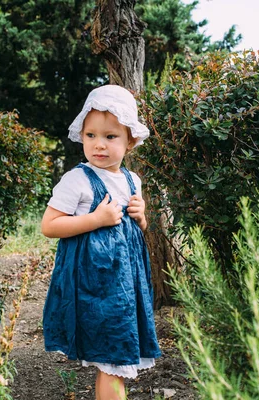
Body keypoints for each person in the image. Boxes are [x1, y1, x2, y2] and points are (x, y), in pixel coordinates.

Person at [41, 85, 161, 400]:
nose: (99, 145)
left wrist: (141, 214)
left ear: (130, 141)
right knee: (111, 357)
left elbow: (136, 228)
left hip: (125, 286)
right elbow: (49, 225)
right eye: (91, 136)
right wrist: (95, 219)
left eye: (110, 137)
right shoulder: (77, 180)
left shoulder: (132, 180)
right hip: (93, 286)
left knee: (117, 353)